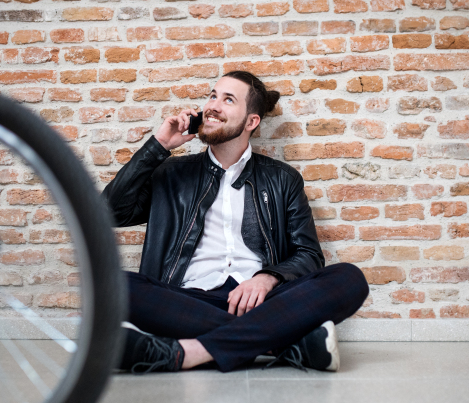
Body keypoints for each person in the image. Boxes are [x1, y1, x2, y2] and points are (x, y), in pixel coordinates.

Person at [102, 71, 369, 374]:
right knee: (111, 285)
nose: (213, 105)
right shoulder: (172, 173)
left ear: (251, 121)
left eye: (228, 100)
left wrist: (267, 278)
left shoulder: (282, 179)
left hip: (265, 304)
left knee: (349, 278)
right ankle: (284, 345)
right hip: (188, 302)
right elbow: (111, 211)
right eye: (213, 96)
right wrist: (160, 145)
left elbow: (308, 255)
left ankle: (191, 351)